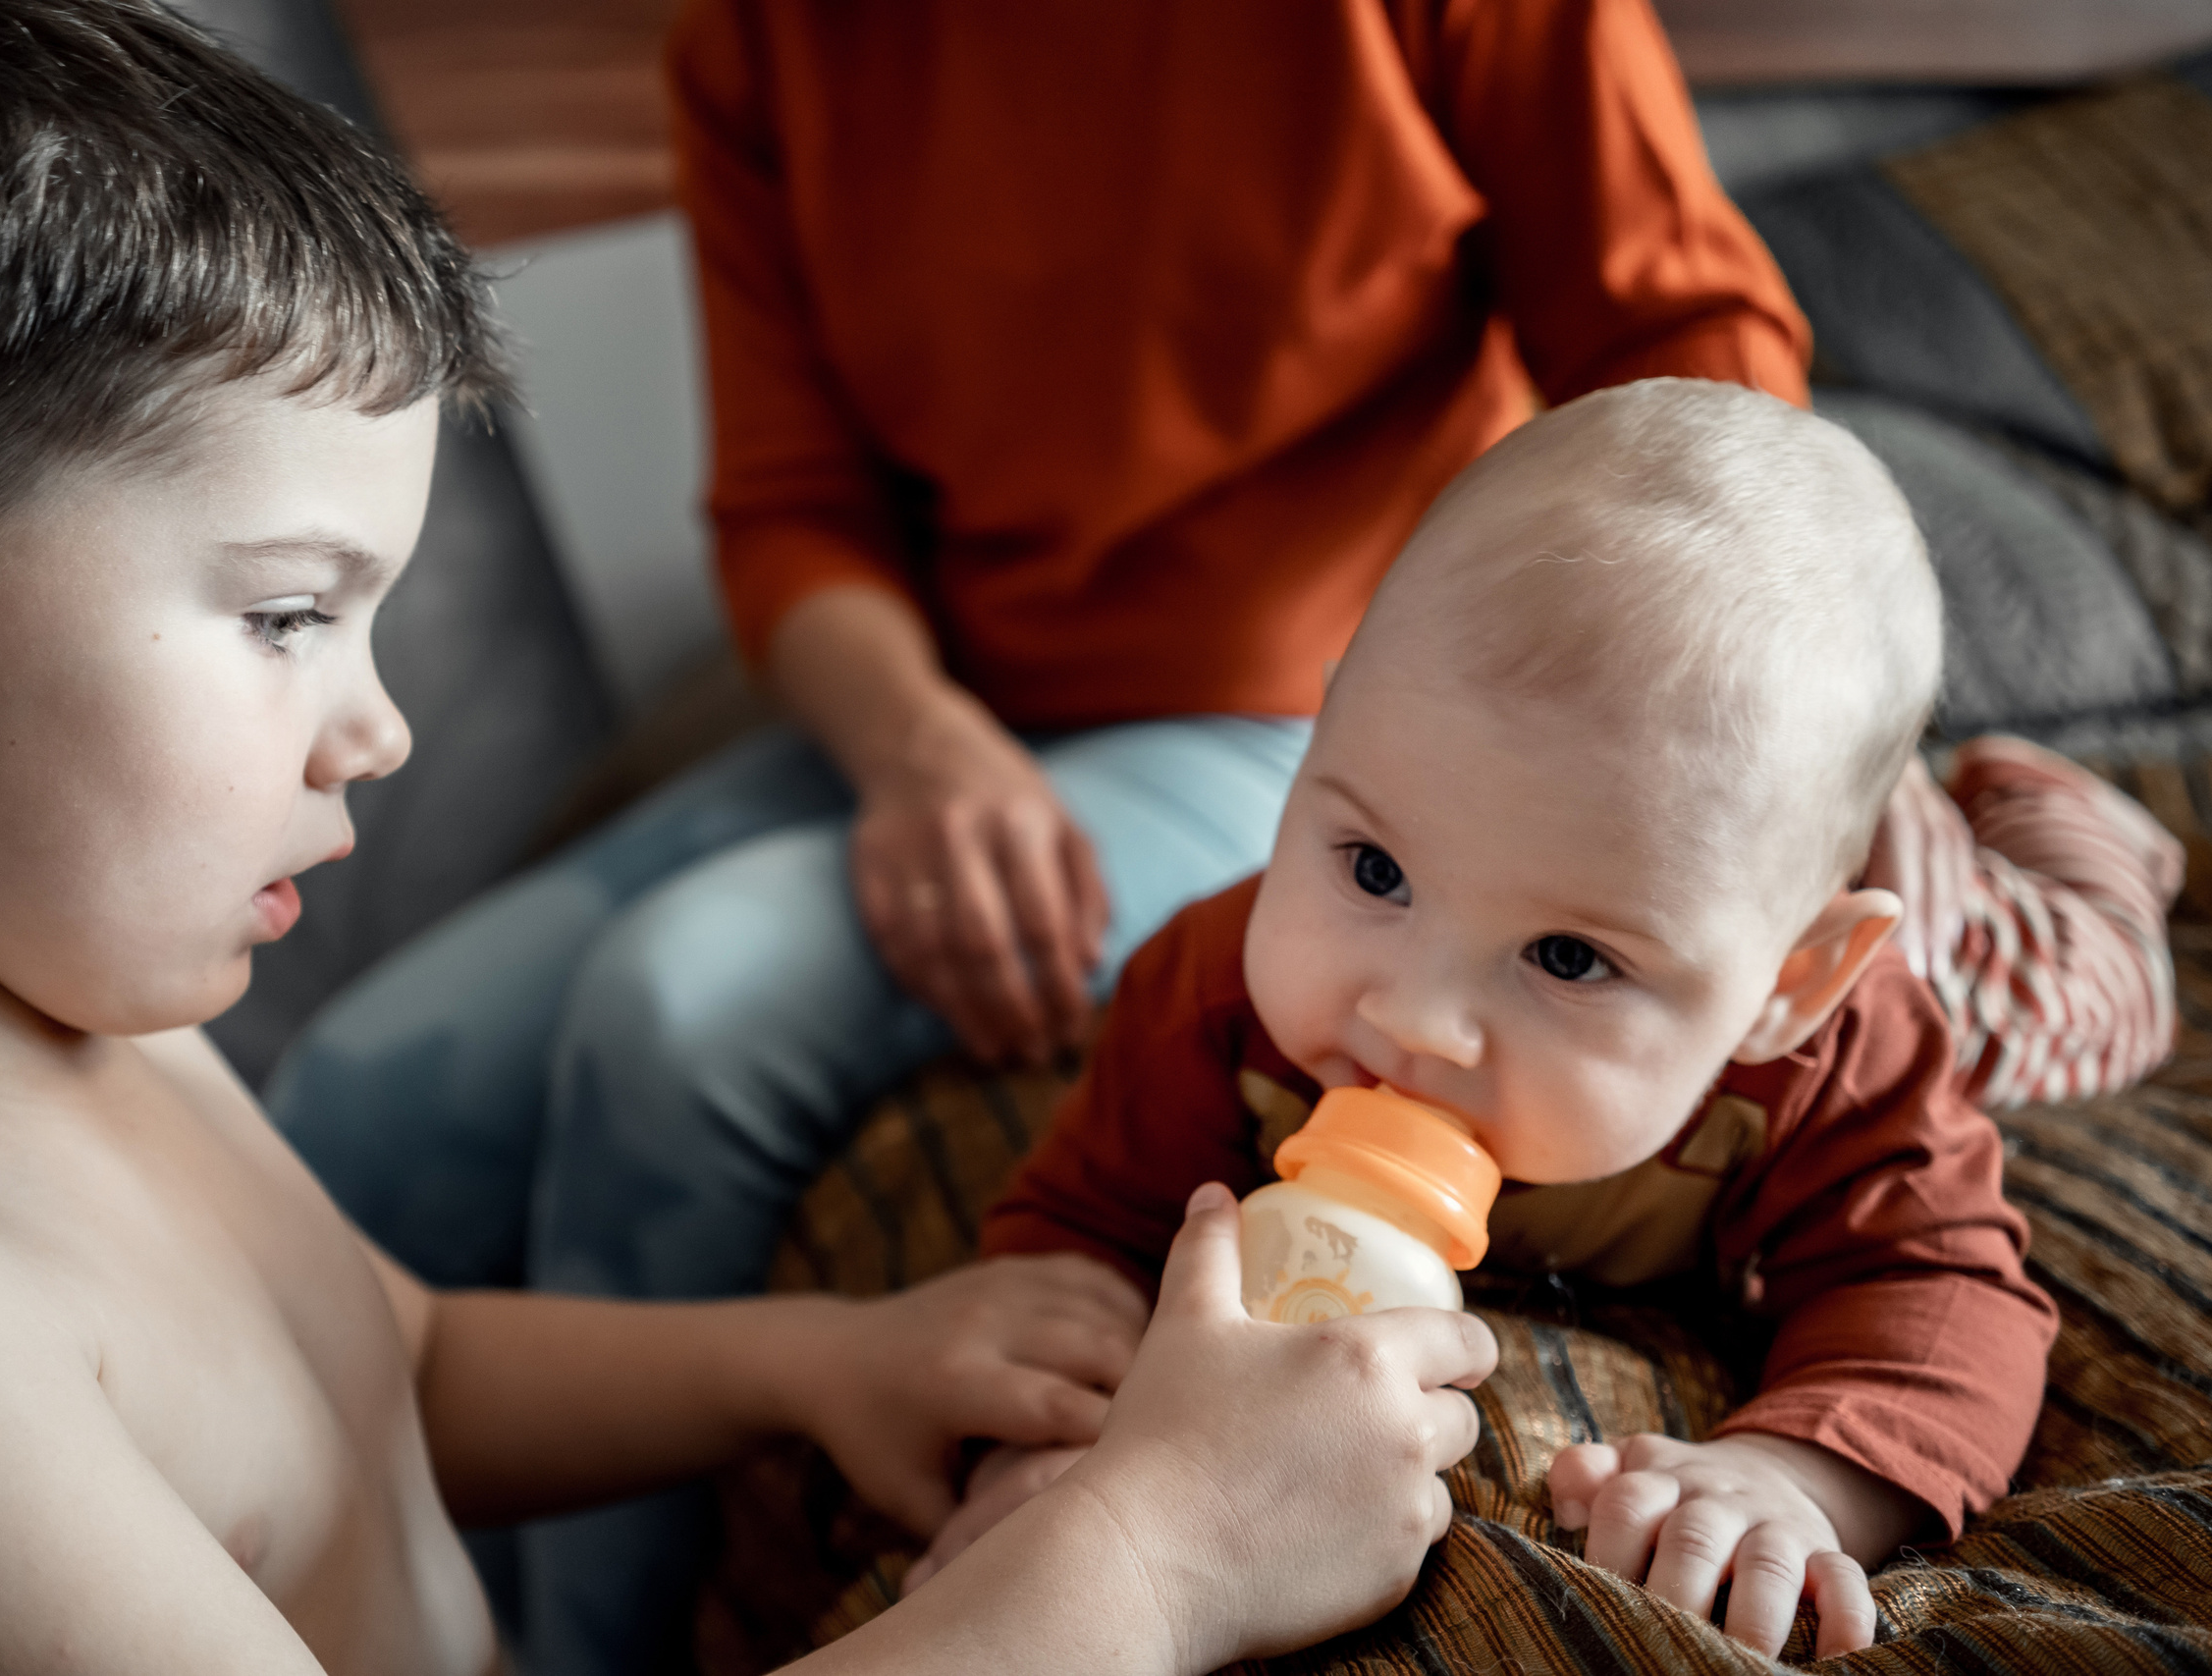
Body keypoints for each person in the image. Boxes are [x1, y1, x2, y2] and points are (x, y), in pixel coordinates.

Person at [0, 4, 1501, 1671]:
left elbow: (386, 1357)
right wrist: (1151, 1561)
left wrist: (813, 1361)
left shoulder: (77, 1003)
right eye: (285, 616)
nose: (378, 726)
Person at [266, 3, 1827, 1660]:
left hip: (1331, 742)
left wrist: (1794, 771)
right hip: (946, 699)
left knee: (678, 1010)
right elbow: (796, 516)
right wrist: (918, 744)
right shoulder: (765, 39)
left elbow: (1696, 363)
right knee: (351, 1101)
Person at [925, 382, 2067, 1661]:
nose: (1413, 1017)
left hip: (1976, 965)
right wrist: (1042, 1448)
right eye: (1373, 869)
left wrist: (1799, 1478)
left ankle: (2050, 827)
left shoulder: (1839, 1062)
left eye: (1570, 957)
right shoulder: (1209, 992)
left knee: (2063, 989)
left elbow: (1942, 1287)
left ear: (1786, 987)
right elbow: (1082, 1232)